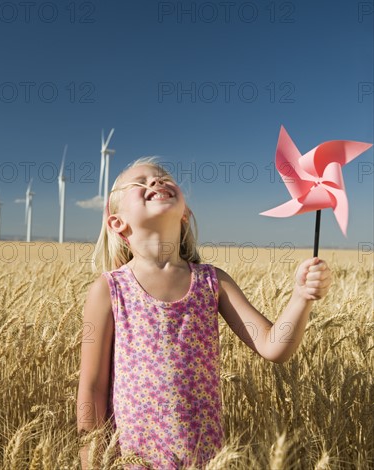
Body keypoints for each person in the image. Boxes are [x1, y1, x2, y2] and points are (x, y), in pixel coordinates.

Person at [76, 156, 332, 470]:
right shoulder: (109, 290)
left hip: (204, 460)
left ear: (185, 214)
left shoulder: (212, 281)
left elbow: (273, 346)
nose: (157, 182)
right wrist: (93, 460)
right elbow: (93, 386)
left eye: (164, 178)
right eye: (141, 183)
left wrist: (301, 297)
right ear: (117, 222)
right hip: (133, 461)